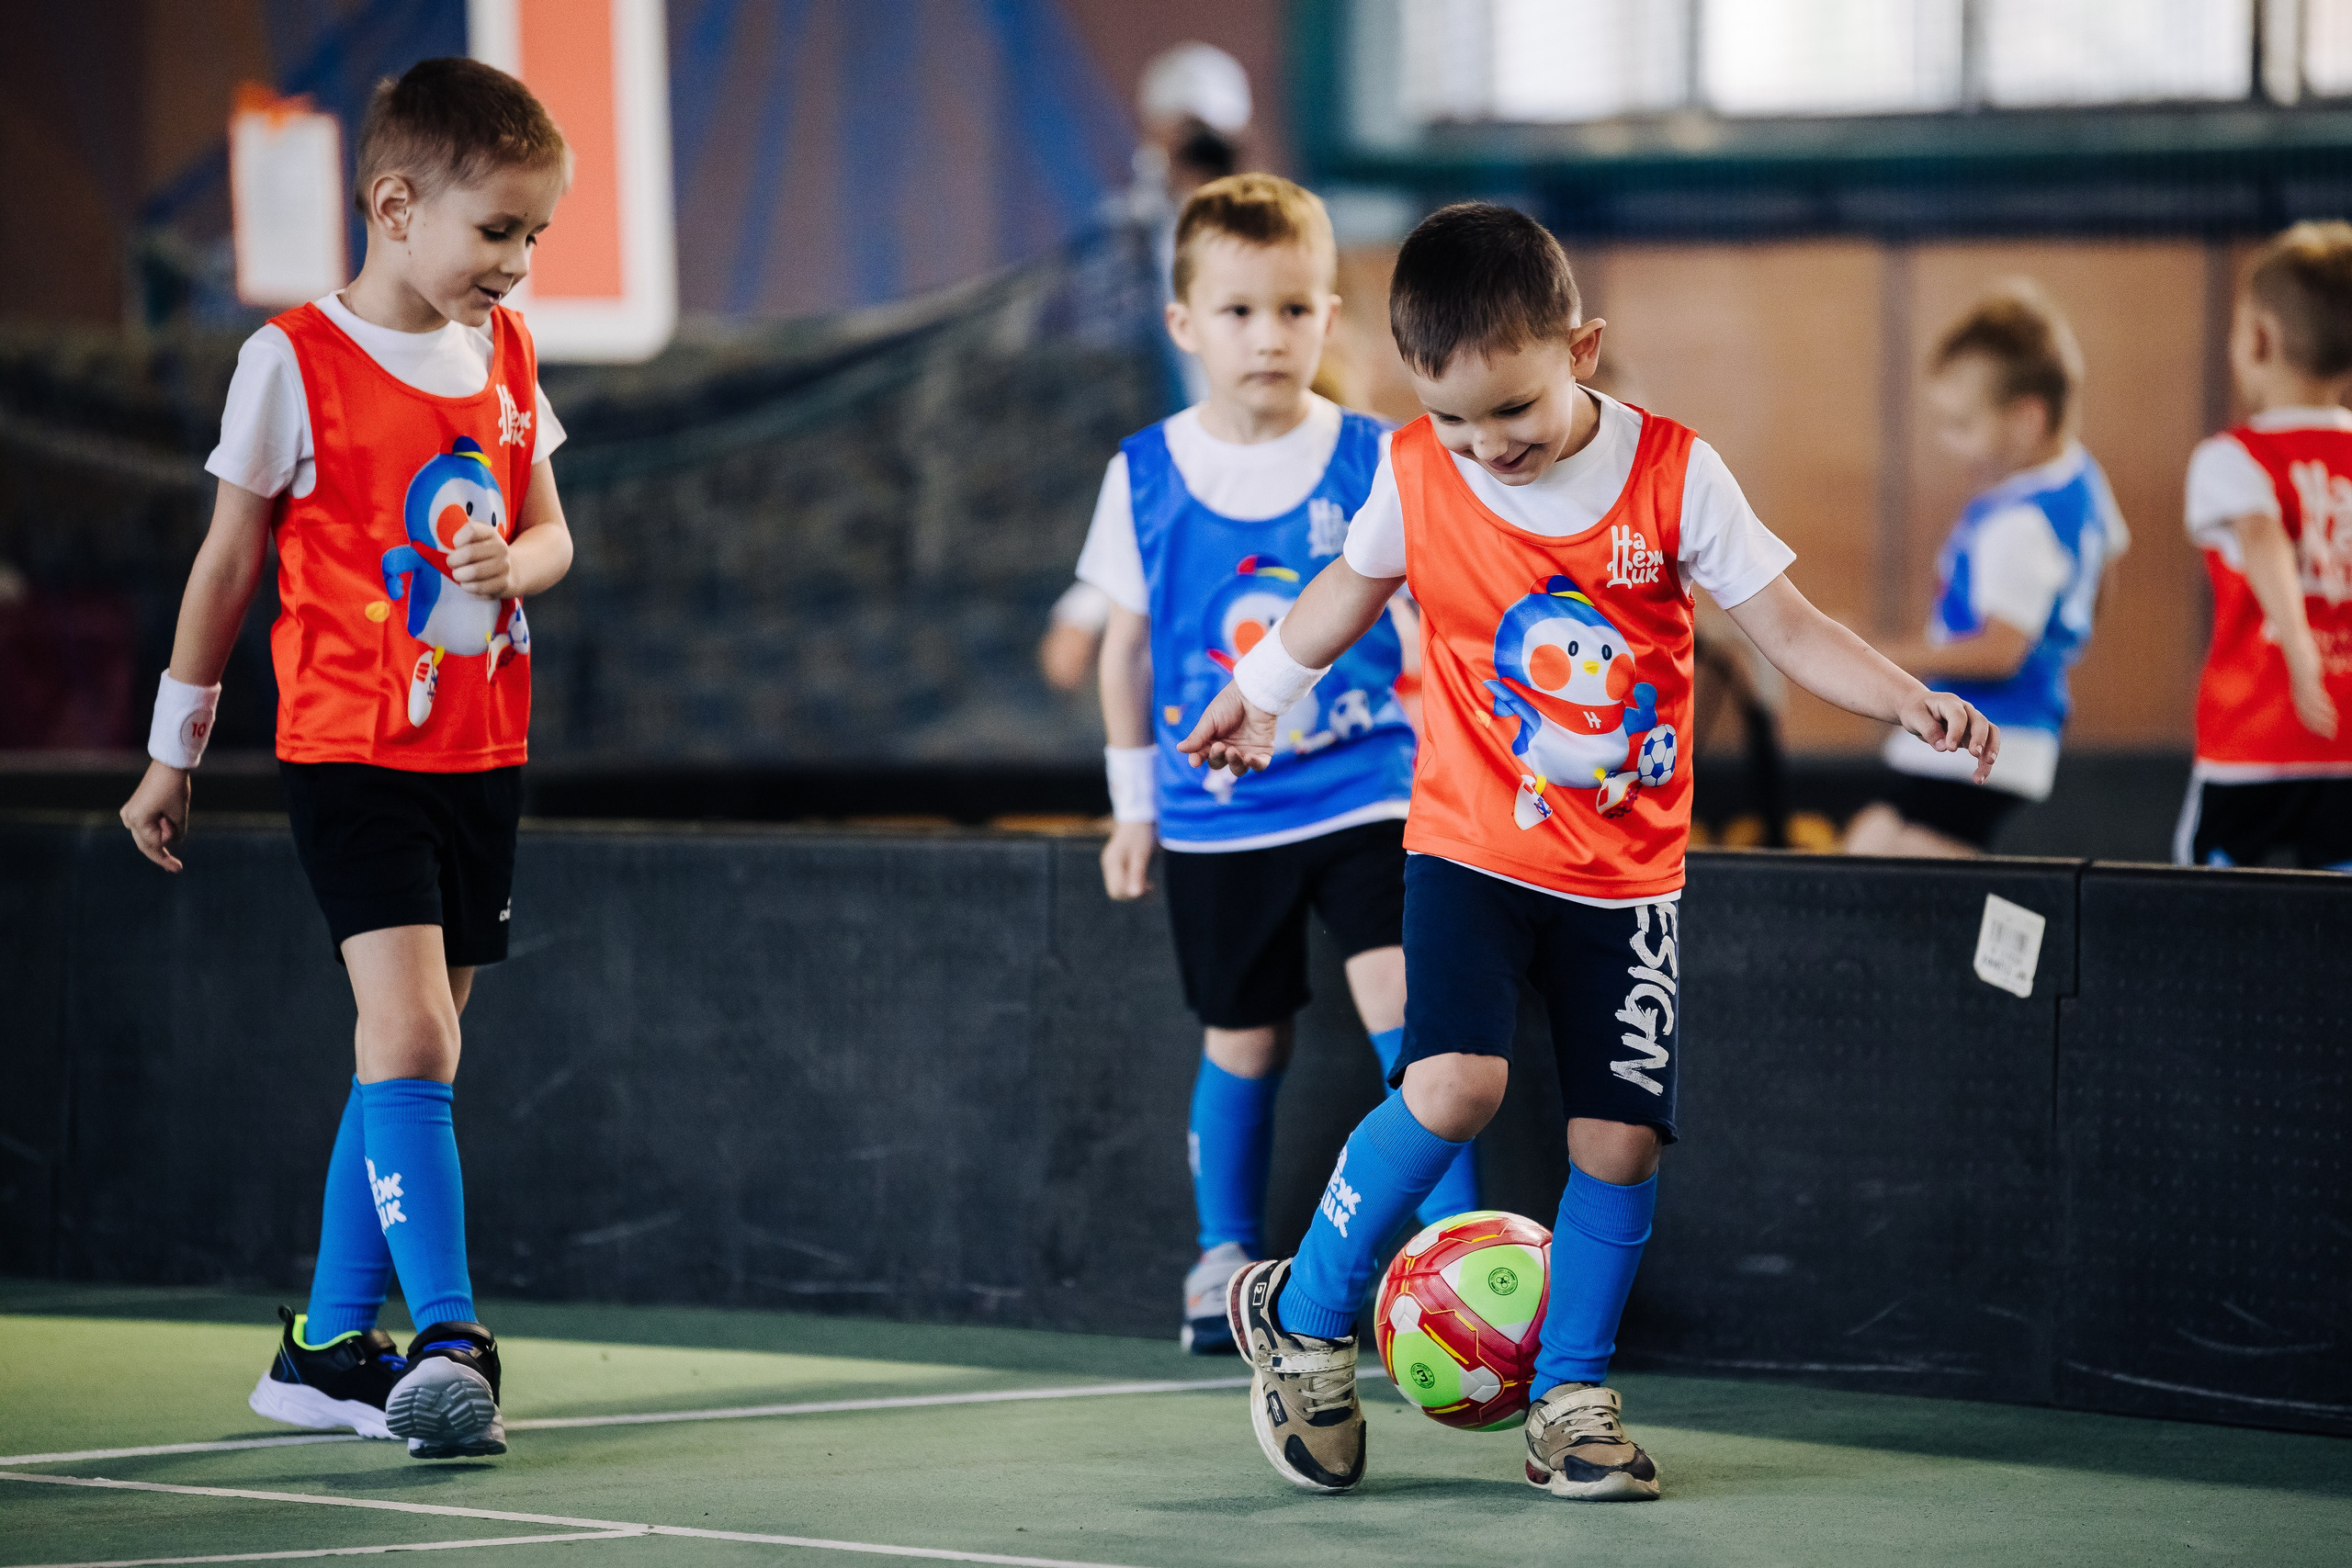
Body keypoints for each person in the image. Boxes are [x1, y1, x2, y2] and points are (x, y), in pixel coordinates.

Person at [1182, 202, 1996, 1498]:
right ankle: (1308, 1314)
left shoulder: (1678, 474)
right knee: (1455, 1085)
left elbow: (1784, 623)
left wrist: (1906, 699)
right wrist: (1265, 685)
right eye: (1453, 420)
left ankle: (1569, 1396)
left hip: (1628, 880)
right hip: (1468, 847)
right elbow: (1349, 584)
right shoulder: (1416, 471)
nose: (1485, 447)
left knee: (1619, 1140)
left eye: (1510, 409)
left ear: (1585, 347)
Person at [117, 58, 576, 1460]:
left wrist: (519, 566)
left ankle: (322, 1343)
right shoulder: (291, 361)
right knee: (416, 1034)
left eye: (534, 237)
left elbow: (553, 533)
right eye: (497, 230)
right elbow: (227, 559)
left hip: (479, 748)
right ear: (394, 205)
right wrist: (171, 746)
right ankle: (448, 1334)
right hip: (351, 751)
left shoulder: (506, 357)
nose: (516, 260)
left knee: (412, 1053)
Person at [1081, 173, 1477, 1356]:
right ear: (1185, 326)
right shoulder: (1142, 473)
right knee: (1244, 1040)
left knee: (1421, 1032)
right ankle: (1222, 1258)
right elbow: (1126, 651)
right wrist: (1133, 806)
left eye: (1297, 309)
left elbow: (1442, 622)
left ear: (1331, 317)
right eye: (1242, 312)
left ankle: (1453, 1265)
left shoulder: (1382, 458)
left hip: (1372, 792)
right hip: (1217, 814)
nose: (1270, 337)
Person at [1845, 282, 2128, 856]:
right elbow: (2105, 575)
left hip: (1981, 743)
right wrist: (2061, 639)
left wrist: (1879, 653)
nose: (1951, 444)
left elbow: (2000, 652)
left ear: (2027, 419)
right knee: (1870, 838)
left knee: (1890, 860)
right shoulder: (2081, 481)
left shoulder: (2017, 524)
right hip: (2019, 737)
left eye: (1963, 425)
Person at [2177, 221, 2352, 868]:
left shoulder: (2233, 457)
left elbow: (2260, 533)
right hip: (2346, 743)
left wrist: (2300, 648)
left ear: (2257, 338)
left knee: (2205, 906)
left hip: (2252, 737)